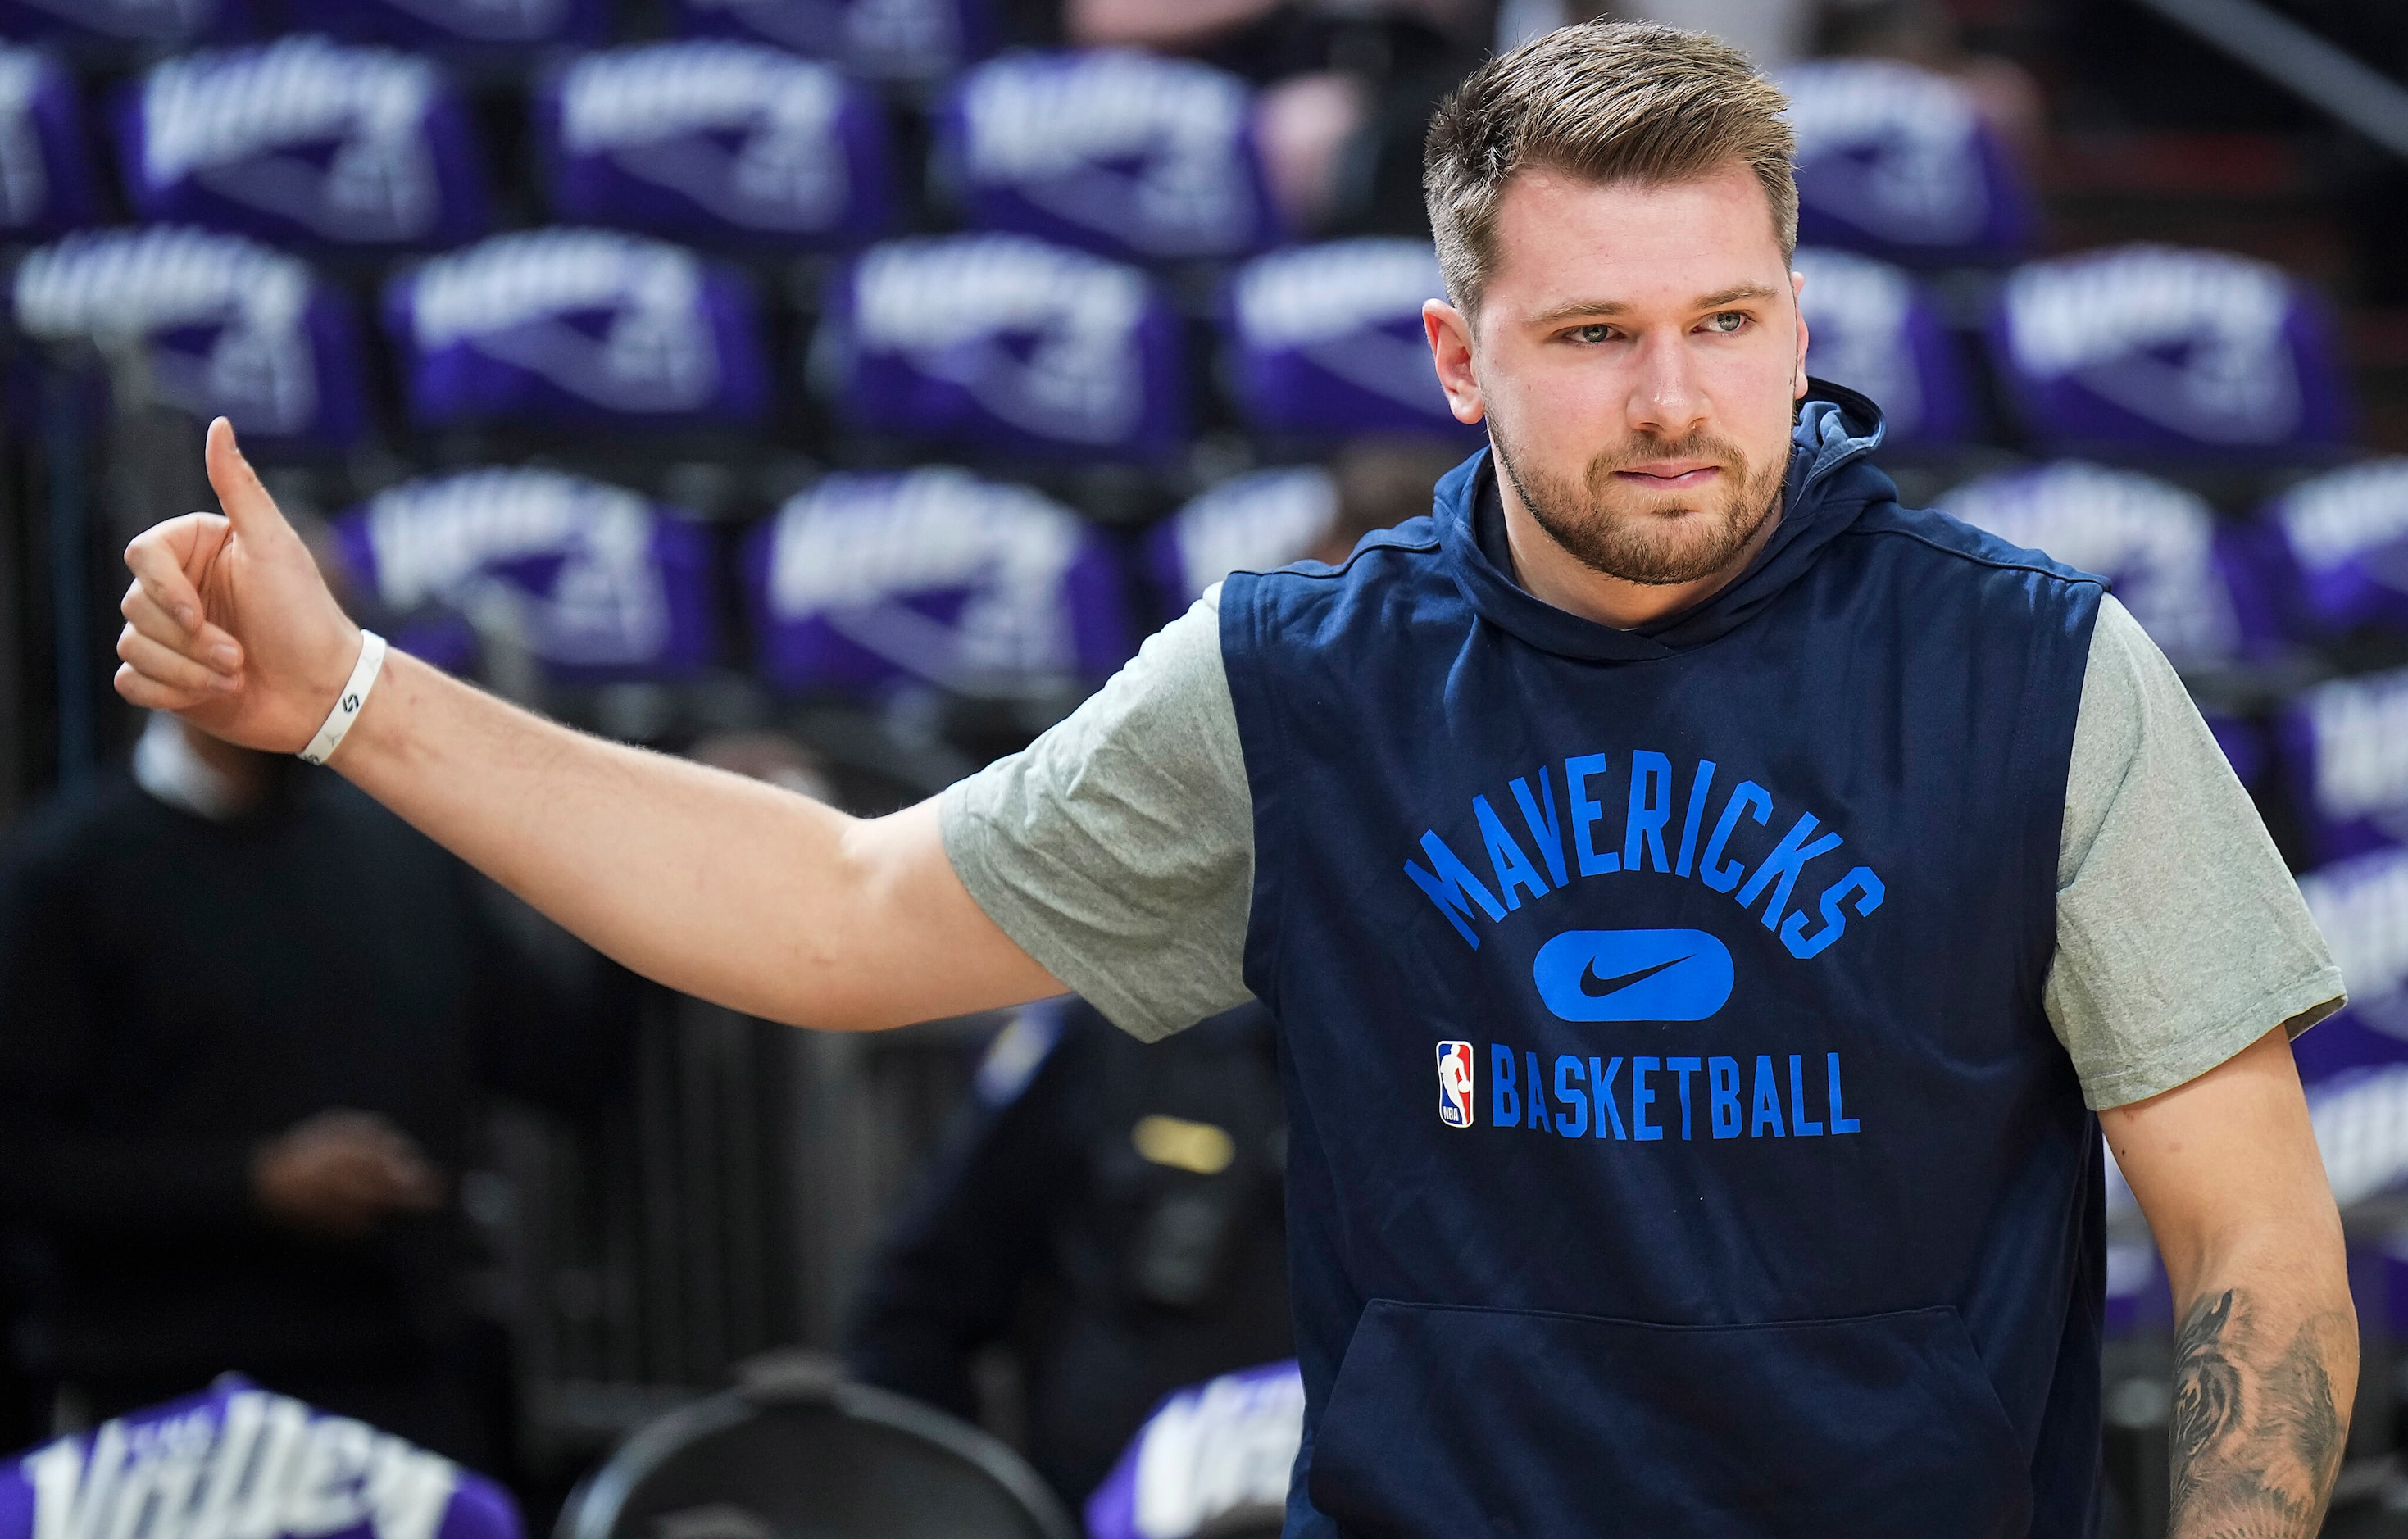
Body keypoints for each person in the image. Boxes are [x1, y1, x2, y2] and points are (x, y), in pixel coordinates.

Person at [111, 20, 2351, 1536]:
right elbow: (837, 909)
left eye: (1729, 320)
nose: (1677, 395)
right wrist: (352, 701)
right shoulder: (1302, 681)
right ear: (1458, 358)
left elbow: (2251, 1227)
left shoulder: (2039, 668)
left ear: (1794, 308)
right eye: (1592, 334)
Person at [0, 709, 629, 1470]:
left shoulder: (397, 852)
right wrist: (254, 1185)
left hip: (403, 1398)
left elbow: (562, 1056)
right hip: (169, 1416)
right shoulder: (66, 872)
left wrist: (657, 858)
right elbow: (27, 1166)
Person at [845, 997, 1291, 1506]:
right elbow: (915, 1307)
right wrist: (956, 1511)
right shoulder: (1117, 1030)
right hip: (1109, 1507)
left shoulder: (1389, 1055)